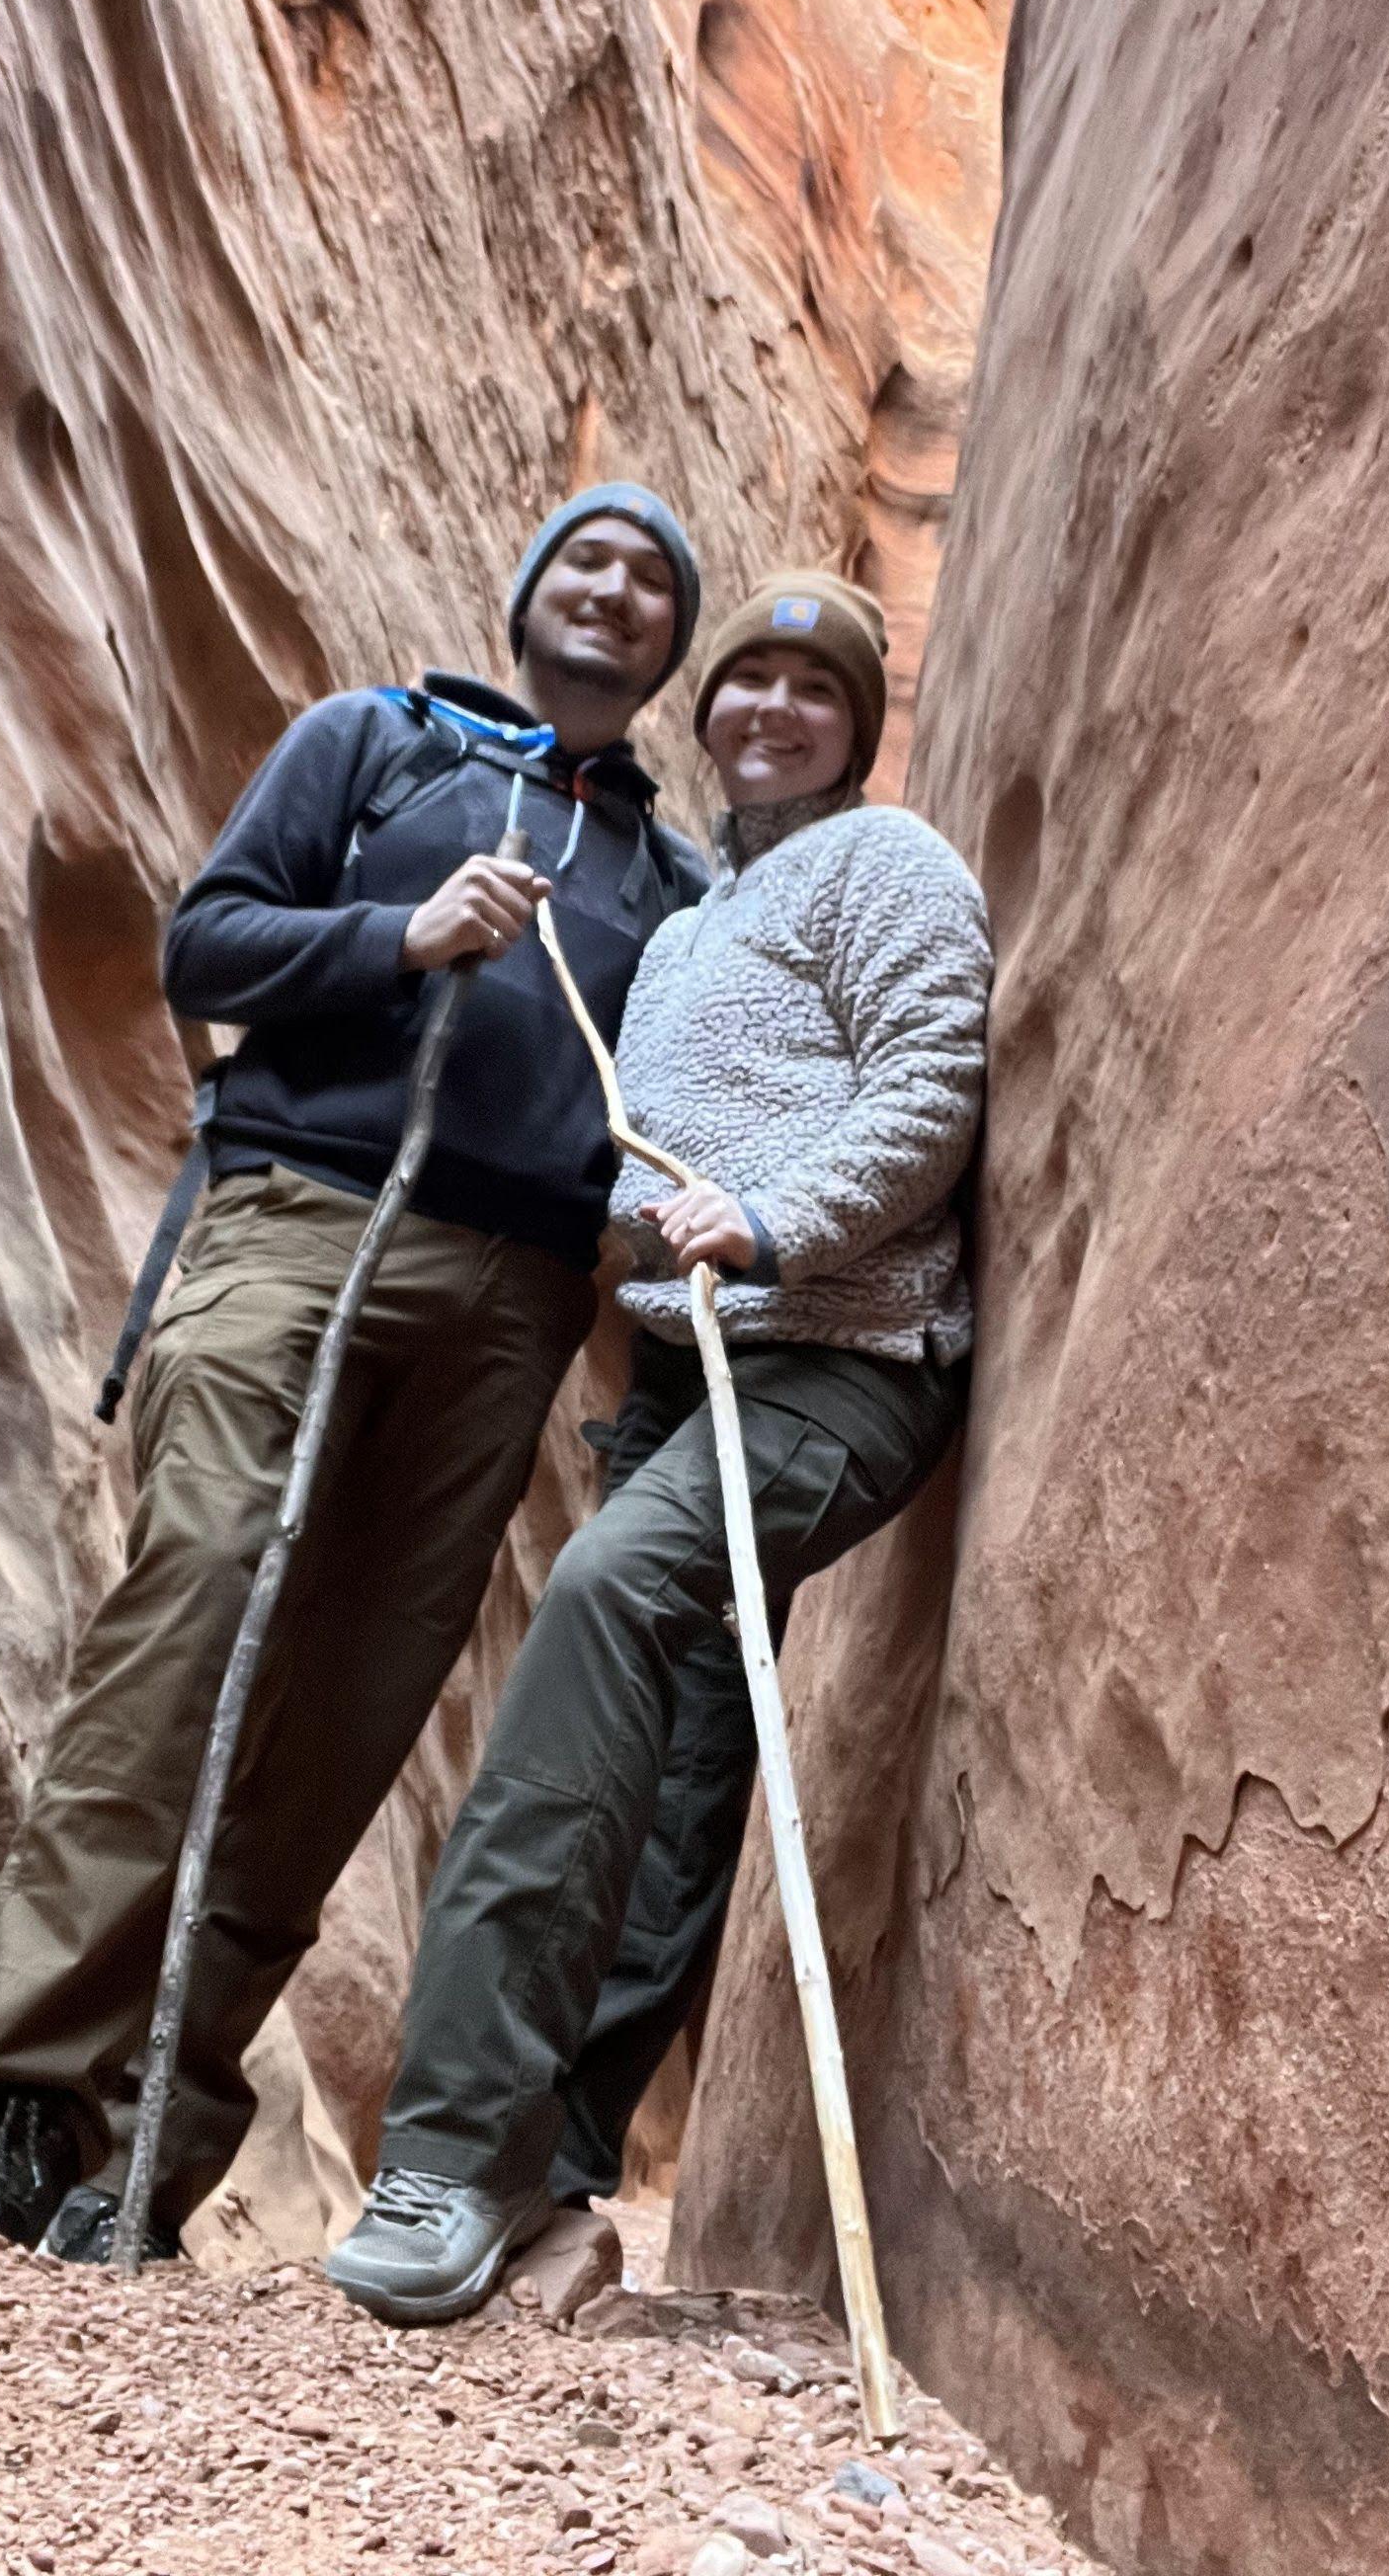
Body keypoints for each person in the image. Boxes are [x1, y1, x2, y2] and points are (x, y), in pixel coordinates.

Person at [0, 485, 707, 2262]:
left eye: (652, 582)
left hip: (512, 1302)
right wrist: (400, 937)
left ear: (667, 648)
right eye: (588, 560)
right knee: (194, 1606)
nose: (615, 591)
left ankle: (142, 2167)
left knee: (344, 1717)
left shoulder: (667, 886)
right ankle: (9, 2120)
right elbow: (202, 948)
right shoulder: (371, 746)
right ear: (530, 595)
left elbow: (661, 1109)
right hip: (299, 1223)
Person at [321, 570, 992, 2324]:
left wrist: (768, 1220)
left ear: (858, 724)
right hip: (688, 1375)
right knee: (678, 1766)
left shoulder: (890, 868)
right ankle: (551, 2170)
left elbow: (929, 1090)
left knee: (607, 1598)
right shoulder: (690, 931)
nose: (772, 706)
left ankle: (449, 2152)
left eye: (813, 685)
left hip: (842, 1356)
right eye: (747, 679)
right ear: (713, 717)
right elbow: (642, 1149)